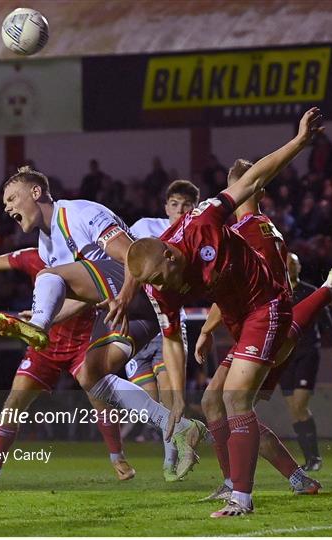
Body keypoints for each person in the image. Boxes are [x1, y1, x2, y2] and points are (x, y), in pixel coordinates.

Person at [125, 108, 325, 517]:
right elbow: (170, 342)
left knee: (235, 399)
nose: (165, 288)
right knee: (212, 401)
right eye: (156, 285)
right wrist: (177, 400)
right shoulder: (157, 286)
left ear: (170, 252)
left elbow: (253, 178)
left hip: (267, 306)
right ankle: (246, 481)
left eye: (164, 277)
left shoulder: (203, 220)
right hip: (238, 318)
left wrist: (300, 141)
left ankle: (243, 499)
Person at [194, 159, 332, 504]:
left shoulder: (244, 233)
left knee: (234, 404)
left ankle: (239, 492)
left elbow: (236, 289)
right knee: (214, 400)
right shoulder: (265, 228)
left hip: (265, 329)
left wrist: (206, 329)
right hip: (272, 327)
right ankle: (291, 477)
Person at [0, 248, 135, 481]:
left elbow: (91, 298)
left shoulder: (87, 257)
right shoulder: (34, 256)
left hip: (83, 341)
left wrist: (42, 318)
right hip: (44, 345)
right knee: (14, 401)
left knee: (98, 396)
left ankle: (118, 459)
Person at [127, 180, 200, 481]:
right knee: (148, 405)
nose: (180, 210)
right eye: (174, 204)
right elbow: (122, 260)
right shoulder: (145, 227)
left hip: (166, 326)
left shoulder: (193, 235)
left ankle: (172, 459)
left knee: (170, 396)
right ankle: (180, 441)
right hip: (134, 327)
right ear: (165, 206)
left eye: (186, 205)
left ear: (194, 207)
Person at [279, 252, 332, 471]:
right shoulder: (278, 293)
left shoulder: (310, 292)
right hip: (284, 356)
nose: (290, 266)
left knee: (300, 404)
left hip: (308, 352)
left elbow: (326, 321)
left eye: (294, 263)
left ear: (299, 267)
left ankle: (315, 457)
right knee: (294, 410)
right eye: (287, 263)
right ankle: (310, 459)